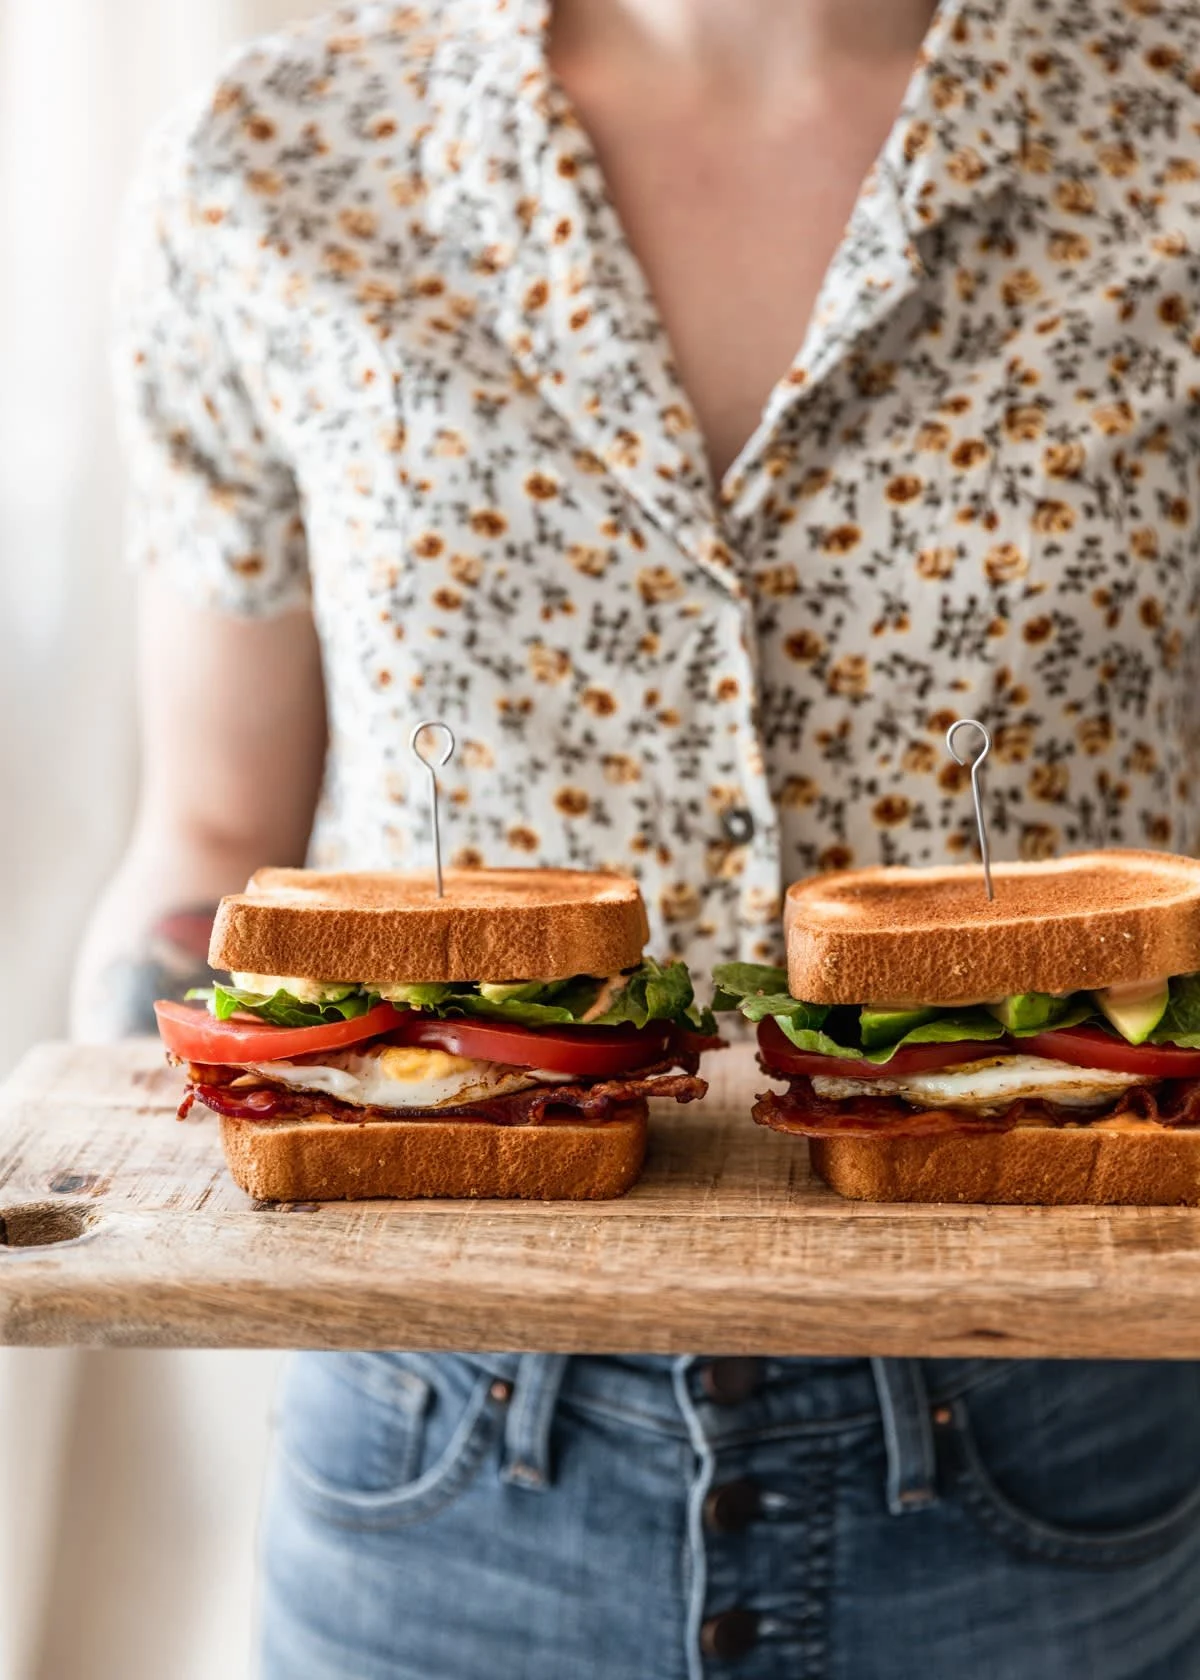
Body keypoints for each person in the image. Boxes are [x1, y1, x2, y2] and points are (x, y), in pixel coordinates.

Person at [74, 0, 1200, 1673]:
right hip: (435, 1451)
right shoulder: (280, 148)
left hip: (1067, 1445)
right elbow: (211, 834)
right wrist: (221, 1094)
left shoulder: (1165, 119)